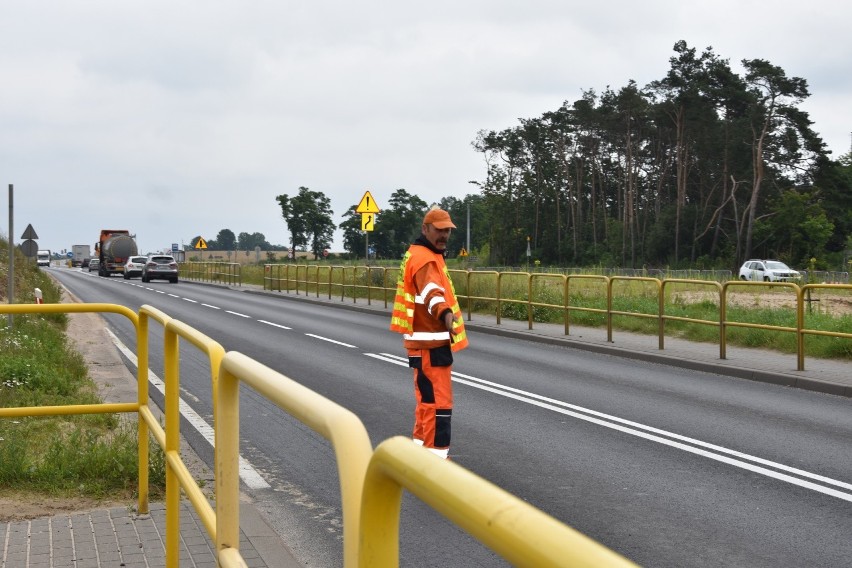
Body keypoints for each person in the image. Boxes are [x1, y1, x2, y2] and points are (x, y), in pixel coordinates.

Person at [390, 206, 468, 459]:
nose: (444, 235)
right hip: (431, 346)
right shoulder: (426, 259)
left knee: (426, 402)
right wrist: (445, 313)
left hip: (421, 344)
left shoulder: (418, 253)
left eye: (447, 231)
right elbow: (431, 292)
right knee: (439, 405)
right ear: (425, 229)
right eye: (439, 230)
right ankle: (435, 461)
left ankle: (418, 453)